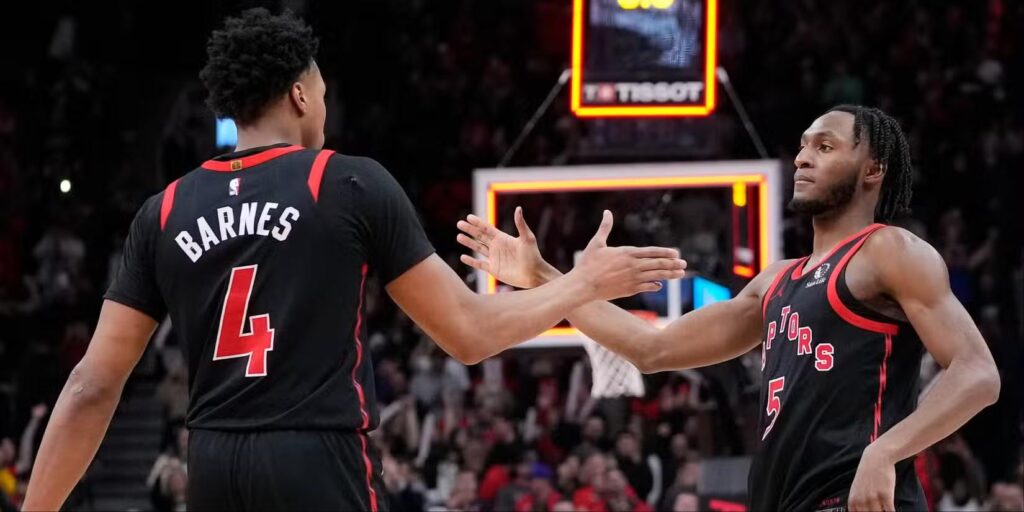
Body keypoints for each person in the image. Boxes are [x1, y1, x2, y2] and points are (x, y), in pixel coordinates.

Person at [20, 9, 686, 512]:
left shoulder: (161, 211)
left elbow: (89, 387)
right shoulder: (346, 183)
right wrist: (580, 283)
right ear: (302, 95)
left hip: (214, 459)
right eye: (324, 91)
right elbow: (470, 334)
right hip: (318, 455)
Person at [456, 105, 1002, 511]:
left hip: (853, 500)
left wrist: (885, 454)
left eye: (827, 147)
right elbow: (653, 348)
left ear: (873, 169)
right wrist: (545, 278)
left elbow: (978, 373)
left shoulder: (890, 251)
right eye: (805, 145)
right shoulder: (775, 282)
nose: (805, 156)